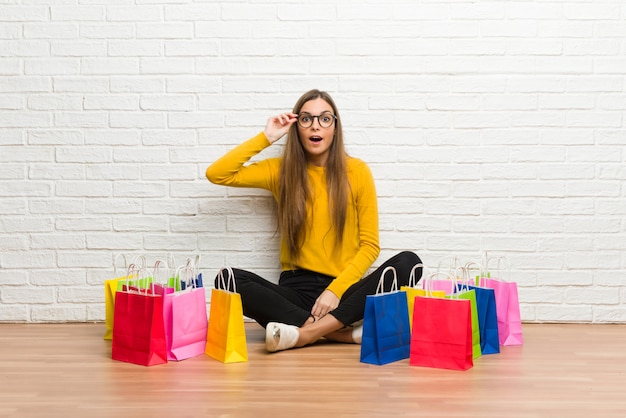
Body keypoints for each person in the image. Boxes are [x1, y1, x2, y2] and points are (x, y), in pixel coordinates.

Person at [206, 89, 422, 353]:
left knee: (409, 262)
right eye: (306, 119)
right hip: (296, 293)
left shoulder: (357, 171)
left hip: (344, 292)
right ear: (297, 128)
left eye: (324, 118)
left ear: (335, 127)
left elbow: (370, 246)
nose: (315, 126)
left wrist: (334, 291)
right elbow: (217, 174)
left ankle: (304, 333)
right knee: (227, 279)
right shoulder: (281, 171)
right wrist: (267, 137)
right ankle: (337, 333)